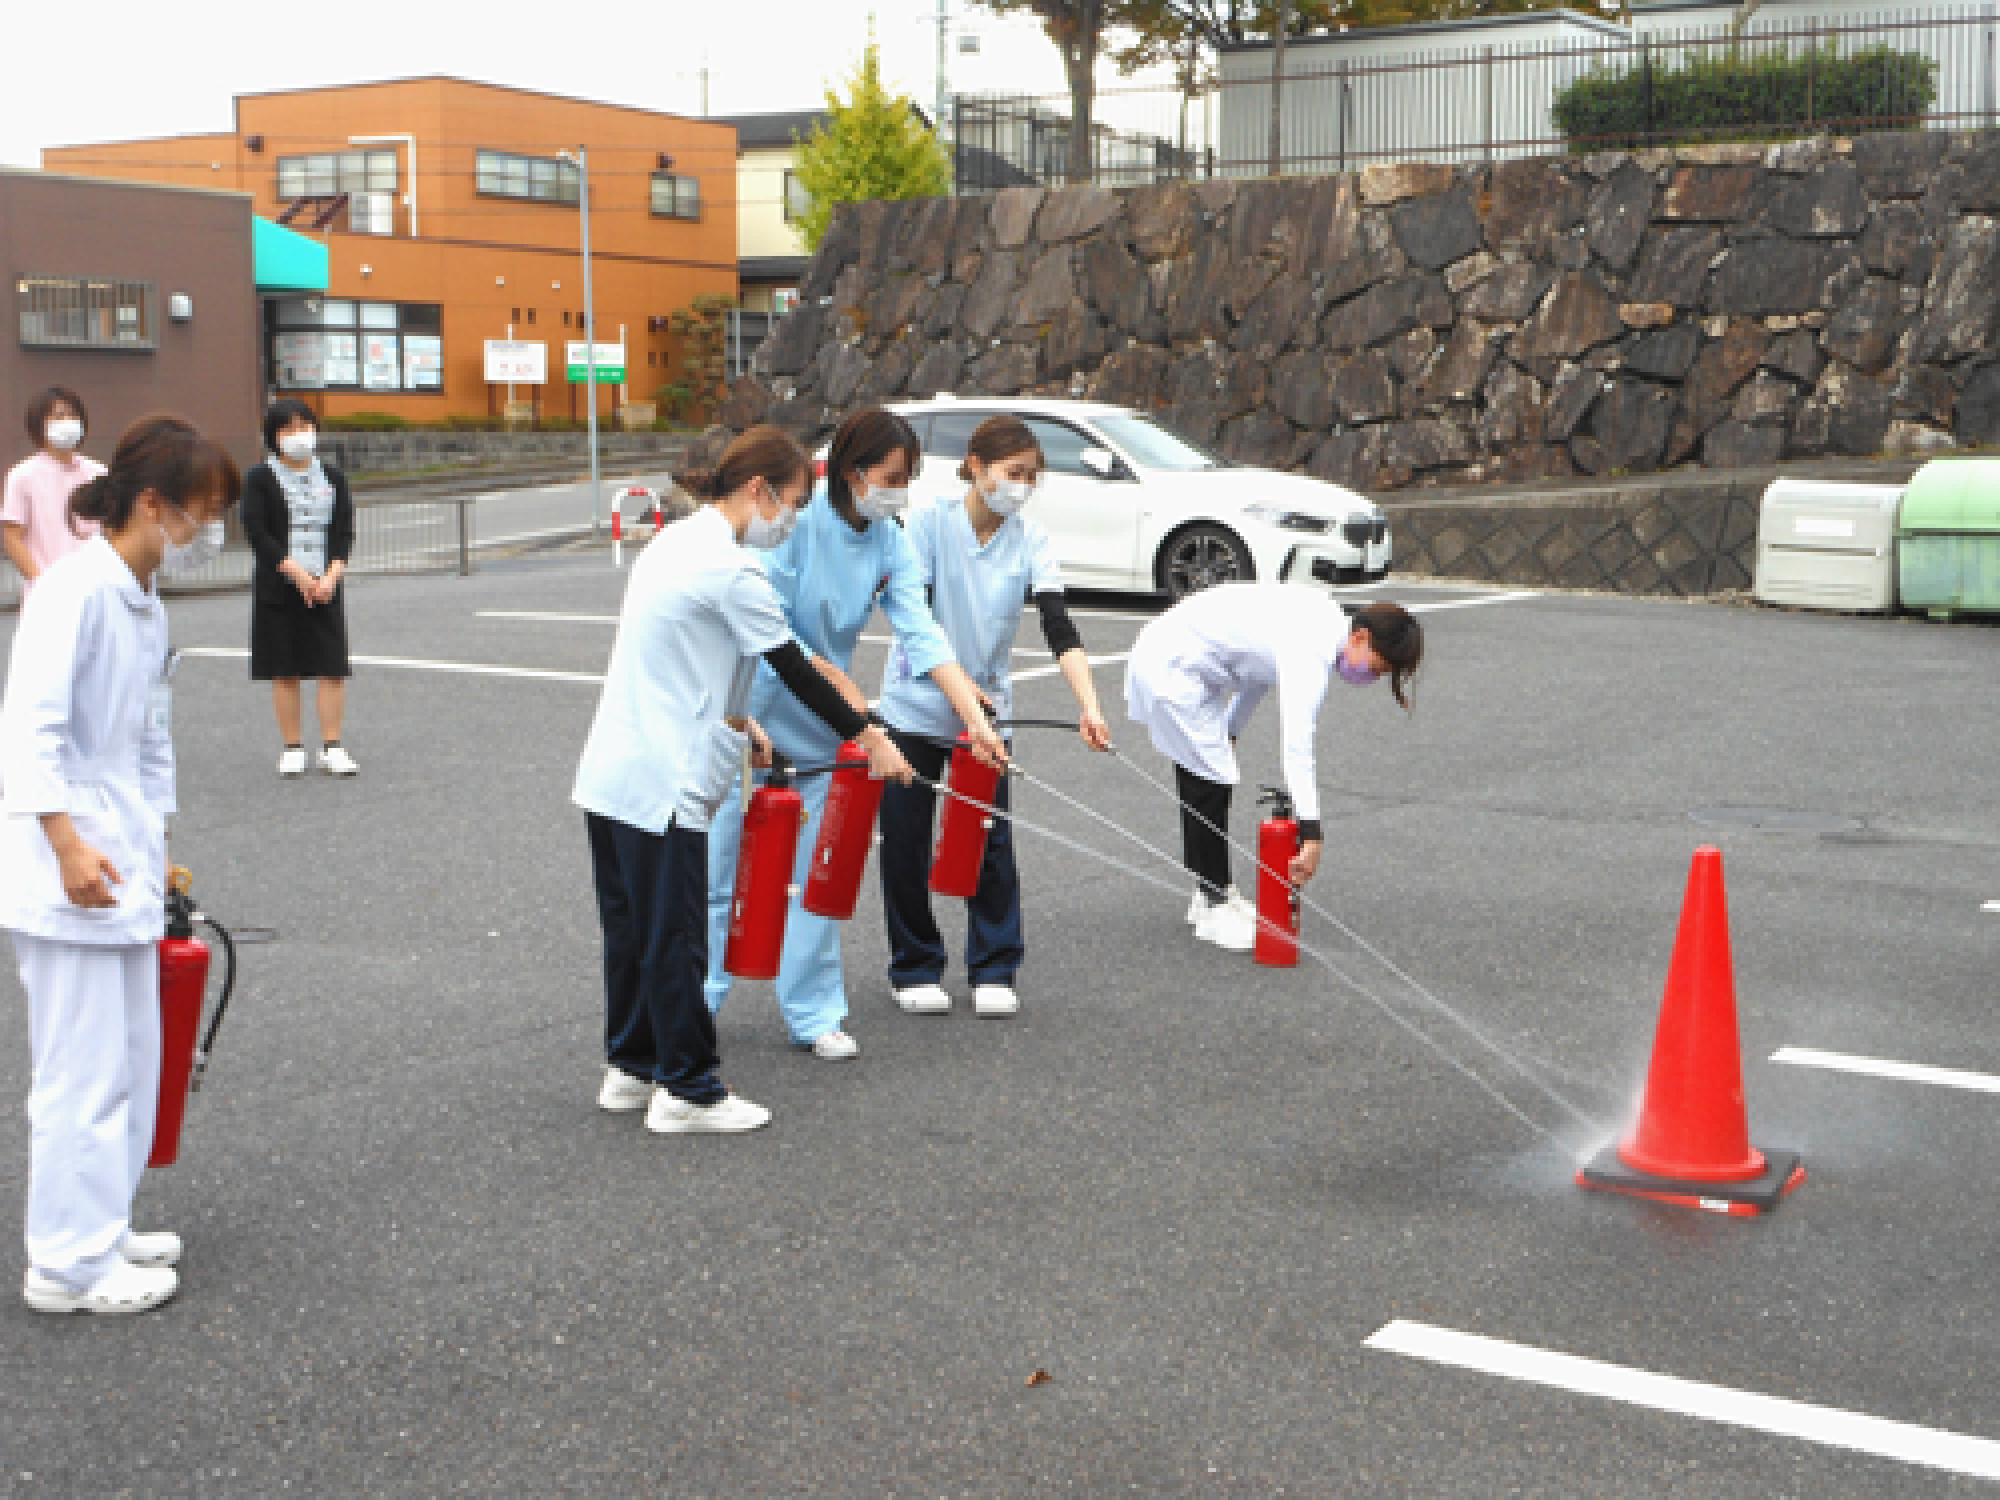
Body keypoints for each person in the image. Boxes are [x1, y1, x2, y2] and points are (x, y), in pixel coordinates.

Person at [574, 425, 915, 1135]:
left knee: (633, 932)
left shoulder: (676, 541)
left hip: (614, 770)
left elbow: (687, 652)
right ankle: (689, 1091)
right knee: (675, 935)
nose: (789, 522)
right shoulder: (733, 568)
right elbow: (792, 667)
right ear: (759, 491)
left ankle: (632, 1067)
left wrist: (743, 722)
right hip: (664, 778)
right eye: (791, 504)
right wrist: (870, 736)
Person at [0, 415, 241, 1315]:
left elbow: (148, 742)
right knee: (81, 1068)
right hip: (72, 859)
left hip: (121, 852)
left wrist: (160, 846)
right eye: (202, 514)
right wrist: (65, 843)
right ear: (152, 504)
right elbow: (31, 729)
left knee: (132, 1057)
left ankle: (100, 1221)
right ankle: (66, 1263)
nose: (207, 533)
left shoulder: (138, 596)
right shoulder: (75, 592)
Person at [704, 409, 1006, 1061]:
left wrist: (975, 720)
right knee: (721, 868)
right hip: (753, 707)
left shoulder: (890, 540)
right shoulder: (796, 525)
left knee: (823, 871)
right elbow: (782, 645)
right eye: (893, 477)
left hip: (824, 722)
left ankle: (812, 1011)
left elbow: (922, 633)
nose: (902, 489)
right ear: (852, 472)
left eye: (910, 478)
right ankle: (697, 1000)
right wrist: (867, 726)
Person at [875, 414, 1112, 1019]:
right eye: (1015, 474)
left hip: (989, 712)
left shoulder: (1030, 540)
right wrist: (960, 701)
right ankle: (914, 965)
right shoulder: (925, 526)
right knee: (905, 839)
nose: (1024, 487)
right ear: (976, 468)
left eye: (1034, 477)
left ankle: (994, 963)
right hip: (915, 704)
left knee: (988, 839)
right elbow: (919, 624)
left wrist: (1088, 702)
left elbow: (1060, 628)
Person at [1125, 589, 1424, 952]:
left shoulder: (1323, 618)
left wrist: (1231, 730)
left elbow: (1258, 676)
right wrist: (1312, 834)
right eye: (1376, 668)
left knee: (1209, 774)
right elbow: (1298, 747)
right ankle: (1214, 905)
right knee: (1209, 780)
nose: (1370, 677)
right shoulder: (1312, 644)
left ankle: (1211, 895)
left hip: (1186, 664)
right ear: (1361, 637)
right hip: (1172, 664)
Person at [240, 399, 357, 778]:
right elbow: (258, 533)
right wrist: (297, 574)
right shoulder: (260, 477)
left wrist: (332, 576)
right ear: (273, 436)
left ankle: (332, 746)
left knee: (331, 666)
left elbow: (343, 531)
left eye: (304, 426)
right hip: (281, 583)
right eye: (288, 429)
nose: (298, 435)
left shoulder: (333, 477)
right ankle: (292, 747)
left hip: (325, 584)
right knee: (285, 668)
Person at [3, 387, 104, 596]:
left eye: (73, 415)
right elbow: (12, 538)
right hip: (46, 593)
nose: (68, 421)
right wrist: (43, 583)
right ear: (39, 425)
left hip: (95, 590)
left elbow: (113, 530)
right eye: (59, 416)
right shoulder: (22, 476)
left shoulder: (98, 473)